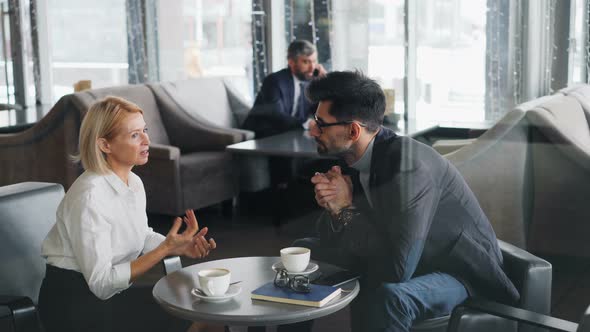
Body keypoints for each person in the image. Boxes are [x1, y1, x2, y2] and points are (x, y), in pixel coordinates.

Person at [296, 71, 519, 331]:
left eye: (321, 124)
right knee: (303, 253)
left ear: (353, 130)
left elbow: (397, 269)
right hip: (409, 256)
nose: (312, 130)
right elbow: (335, 235)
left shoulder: (408, 166)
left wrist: (345, 208)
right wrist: (334, 207)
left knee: (392, 297)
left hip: (458, 270)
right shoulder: (352, 159)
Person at [38, 96, 217, 332]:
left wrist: (177, 246)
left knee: (208, 311)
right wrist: (165, 249)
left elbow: (140, 234)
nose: (147, 140)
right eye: (135, 135)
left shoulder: (133, 181)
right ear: (105, 145)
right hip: (74, 304)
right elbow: (101, 285)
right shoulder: (90, 196)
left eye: (144, 130)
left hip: (108, 296)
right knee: (201, 321)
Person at [243, 39, 327, 138]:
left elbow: (321, 109)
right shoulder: (274, 81)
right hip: (264, 136)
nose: (312, 68)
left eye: (314, 61)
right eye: (306, 62)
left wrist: (326, 81)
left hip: (290, 136)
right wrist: (308, 123)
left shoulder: (310, 82)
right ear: (291, 62)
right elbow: (277, 116)